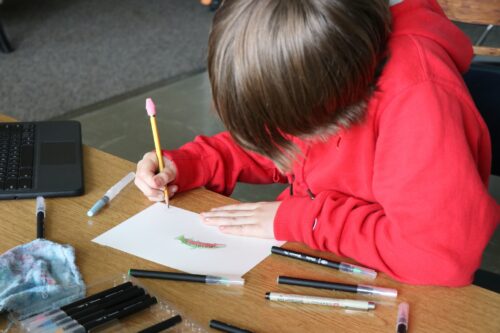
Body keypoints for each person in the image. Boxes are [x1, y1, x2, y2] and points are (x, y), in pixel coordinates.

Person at [135, 0, 499, 286]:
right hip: (320, 253)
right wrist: (195, 162)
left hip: (387, 280)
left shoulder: (420, 100)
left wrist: (305, 221)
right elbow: (283, 145)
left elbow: (437, 256)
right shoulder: (331, 62)